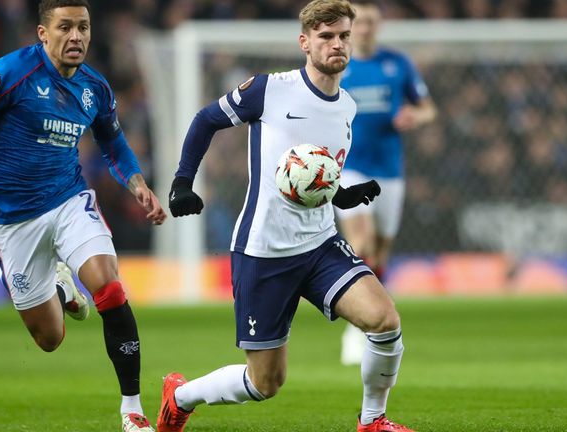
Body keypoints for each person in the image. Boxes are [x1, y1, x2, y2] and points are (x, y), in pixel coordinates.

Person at [0, 1, 165, 431]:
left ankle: (132, 409)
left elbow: (112, 142)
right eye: (65, 27)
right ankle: (61, 286)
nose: (76, 37)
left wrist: (138, 185)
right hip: (11, 221)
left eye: (83, 27)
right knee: (50, 339)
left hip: (68, 200)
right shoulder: (11, 73)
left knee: (110, 286)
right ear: (42, 34)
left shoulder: (95, 89)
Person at [161, 1, 414, 431]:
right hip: (264, 250)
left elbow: (315, 176)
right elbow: (205, 120)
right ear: (305, 42)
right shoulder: (269, 89)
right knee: (265, 383)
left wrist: (343, 194)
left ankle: (373, 420)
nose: (337, 44)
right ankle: (180, 397)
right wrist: (183, 181)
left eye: (344, 36)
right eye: (326, 36)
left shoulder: (347, 107)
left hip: (320, 244)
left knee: (384, 320)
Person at [336, 0, 437, 366]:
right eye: (360, 23)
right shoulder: (338, 64)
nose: (366, 29)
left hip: (390, 170)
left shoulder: (397, 64)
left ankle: (371, 318)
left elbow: (428, 108)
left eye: (372, 23)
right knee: (360, 242)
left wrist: (416, 115)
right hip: (349, 168)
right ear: (351, 25)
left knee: (379, 251)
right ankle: (354, 328)